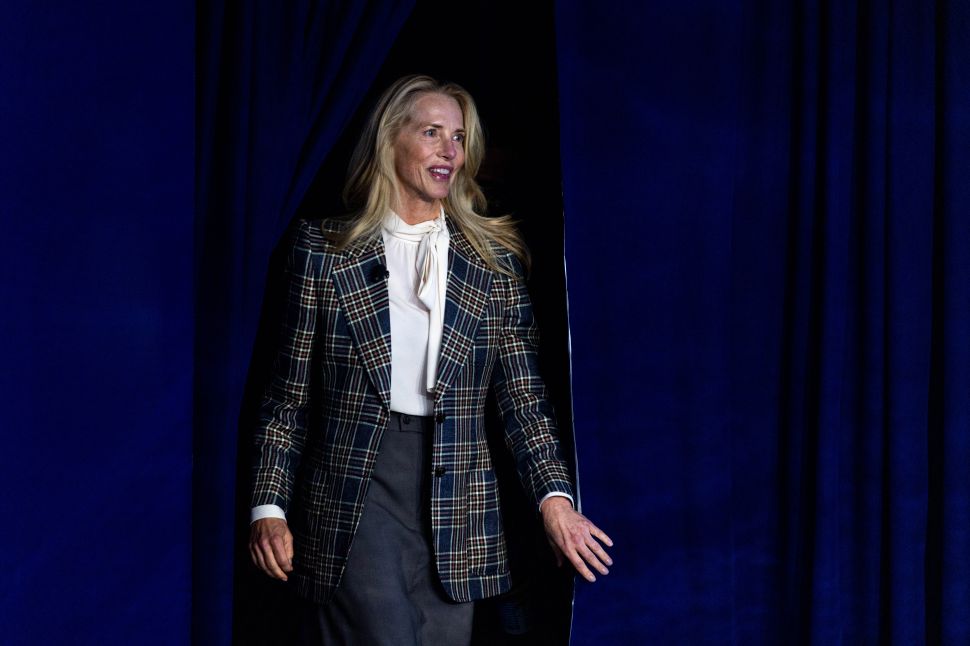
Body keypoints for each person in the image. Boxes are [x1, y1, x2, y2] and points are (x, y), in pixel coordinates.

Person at [249, 74, 612, 645]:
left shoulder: (493, 265)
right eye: (432, 132)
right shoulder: (322, 252)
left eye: (460, 138)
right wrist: (268, 505)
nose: (450, 151)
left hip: (456, 507)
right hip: (356, 497)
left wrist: (554, 500)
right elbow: (287, 399)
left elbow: (524, 399)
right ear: (390, 141)